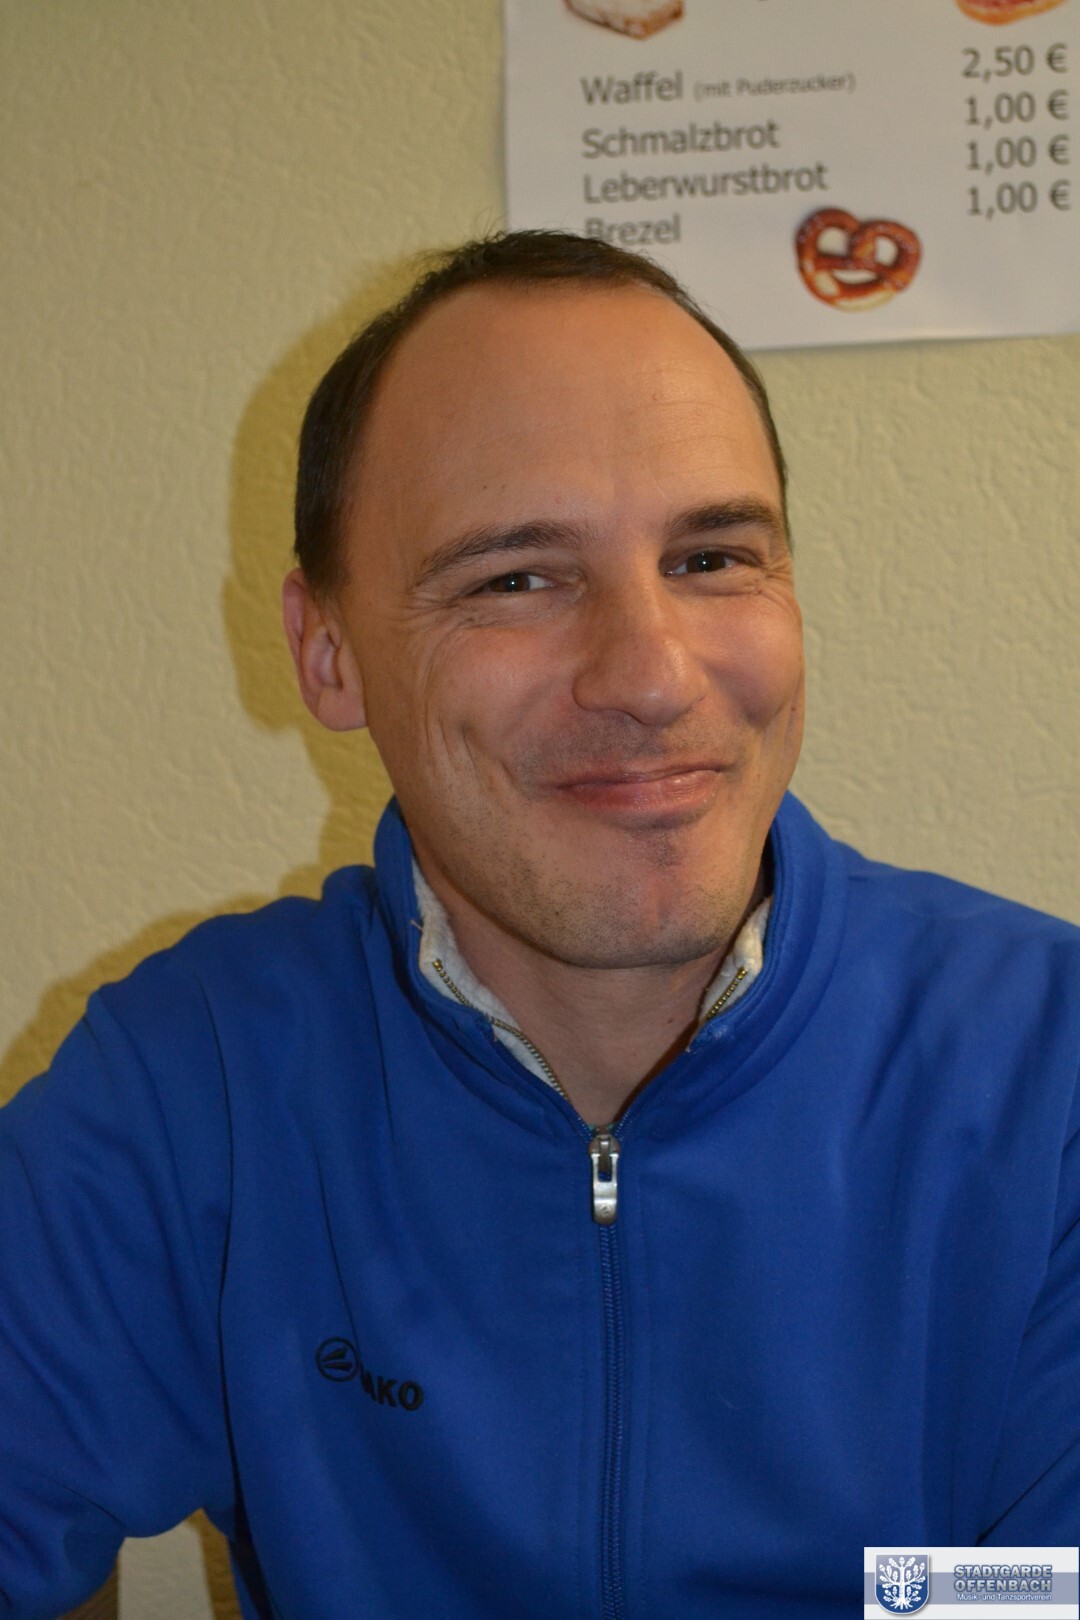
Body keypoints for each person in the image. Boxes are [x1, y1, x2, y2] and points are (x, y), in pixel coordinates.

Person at [1, 231, 1076, 1620]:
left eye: (712, 556)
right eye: (516, 577)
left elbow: (1036, 1596)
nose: (650, 675)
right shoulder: (189, 1082)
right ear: (328, 651)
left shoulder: (1045, 1076)